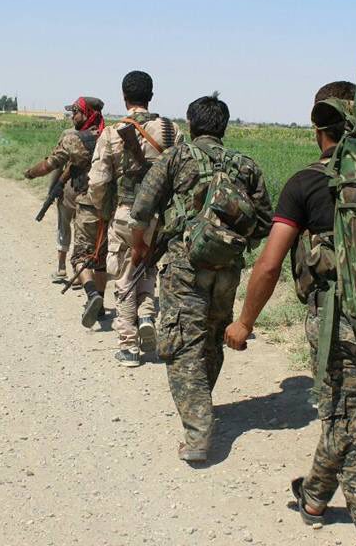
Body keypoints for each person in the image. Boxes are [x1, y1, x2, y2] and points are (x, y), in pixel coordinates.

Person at [223, 79, 356, 546]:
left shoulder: (305, 183)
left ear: (320, 124)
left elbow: (271, 262)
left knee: (352, 428)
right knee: (349, 412)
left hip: (340, 326)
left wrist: (244, 321)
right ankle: (315, 495)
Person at [129, 92, 273, 461]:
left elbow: (141, 209)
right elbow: (263, 223)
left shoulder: (175, 157)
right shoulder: (246, 165)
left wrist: (139, 248)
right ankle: (202, 404)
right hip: (227, 269)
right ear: (223, 127)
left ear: (191, 125)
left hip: (184, 267)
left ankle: (197, 435)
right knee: (211, 335)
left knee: (181, 344)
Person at [88, 71, 183, 367]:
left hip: (126, 212)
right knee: (147, 266)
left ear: (124, 97)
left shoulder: (112, 132)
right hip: (159, 215)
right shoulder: (172, 130)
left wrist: (102, 209)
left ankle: (128, 345)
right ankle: (145, 313)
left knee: (125, 274)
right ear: (151, 96)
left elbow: (98, 182)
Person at [25, 96, 108, 327]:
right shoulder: (109, 135)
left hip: (88, 204)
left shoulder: (73, 139)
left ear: (87, 113)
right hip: (110, 206)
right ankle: (100, 306)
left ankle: (92, 295)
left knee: (81, 256)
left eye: (75, 112)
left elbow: (50, 164)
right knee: (100, 256)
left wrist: (30, 173)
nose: (73, 117)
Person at [51, 165, 76, 282]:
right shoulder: (97, 146)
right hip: (87, 193)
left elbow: (57, 167)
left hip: (67, 193)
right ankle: (79, 272)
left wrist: (51, 189)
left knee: (63, 228)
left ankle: (61, 268)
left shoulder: (69, 145)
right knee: (81, 233)